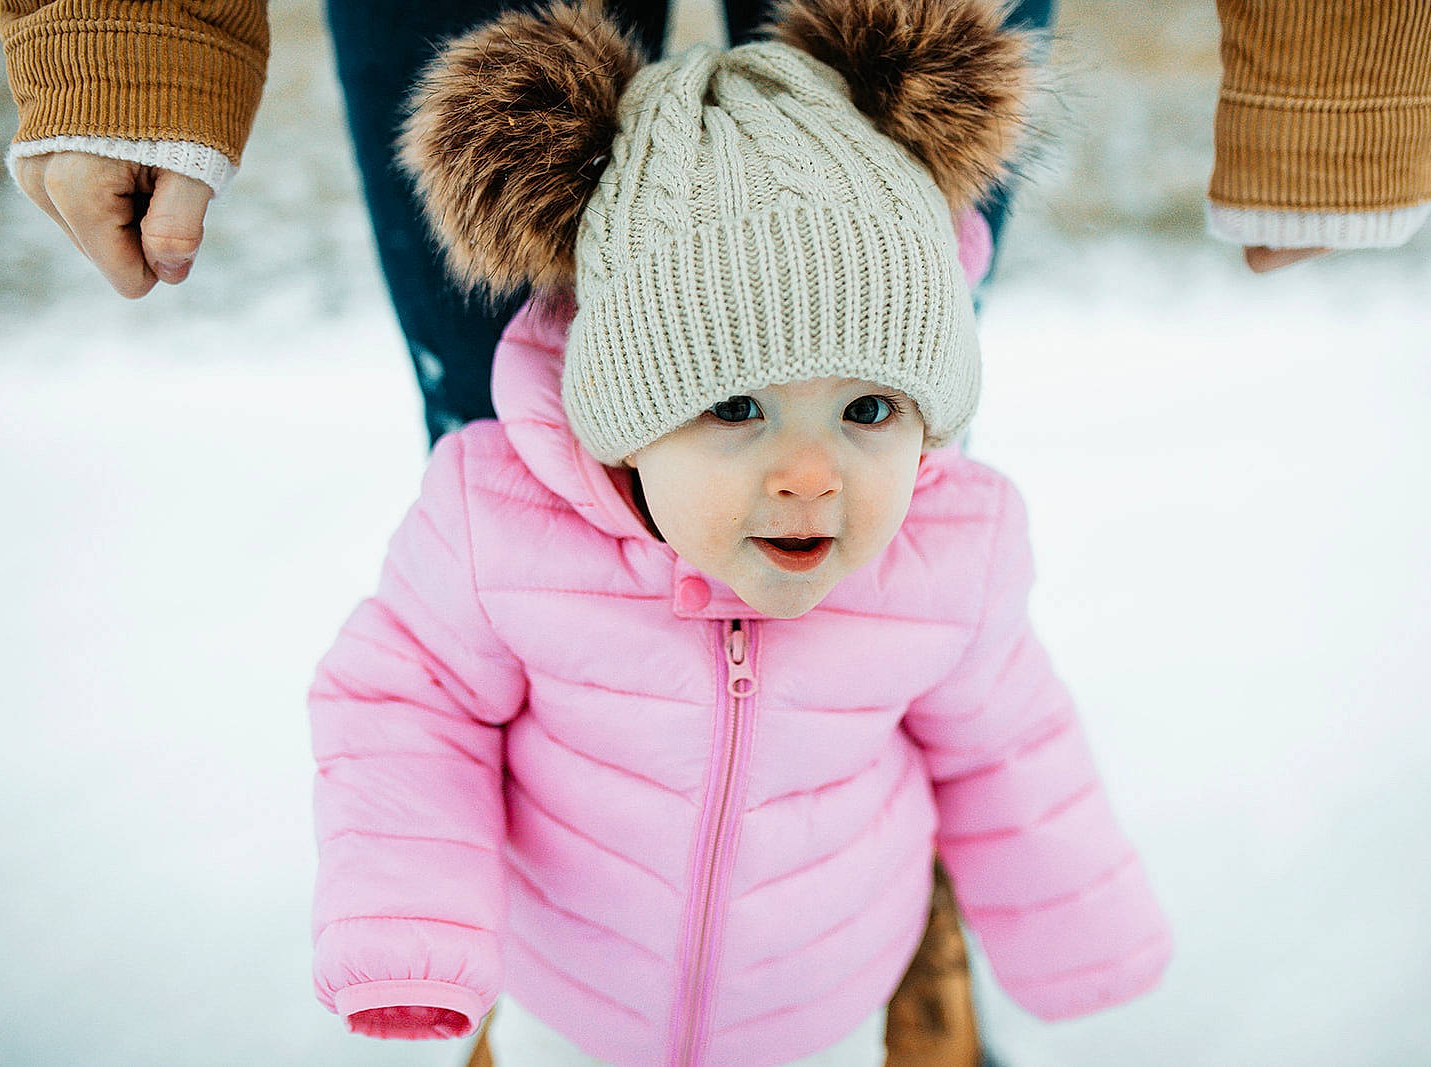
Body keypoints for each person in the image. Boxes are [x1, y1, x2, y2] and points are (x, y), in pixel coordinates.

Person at [308, 1, 1171, 1064]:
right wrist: (412, 928)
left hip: (828, 1006)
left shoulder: (949, 549)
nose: (810, 476)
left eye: (867, 410)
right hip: (571, 1004)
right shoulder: (499, 527)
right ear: (625, 414)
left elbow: (1012, 746)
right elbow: (405, 709)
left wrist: (1079, 936)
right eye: (733, 408)